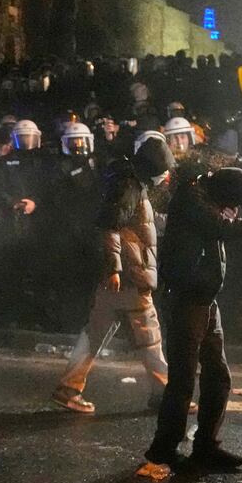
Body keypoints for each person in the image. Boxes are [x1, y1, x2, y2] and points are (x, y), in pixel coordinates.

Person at [144, 166, 242, 471]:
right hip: (187, 298)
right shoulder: (193, 200)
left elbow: (223, 226)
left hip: (204, 299)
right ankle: (164, 448)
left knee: (217, 376)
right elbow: (221, 228)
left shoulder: (204, 197)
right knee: (183, 379)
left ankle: (206, 447)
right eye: (233, 204)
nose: (235, 211)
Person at [54, 134, 175, 413]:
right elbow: (111, 228)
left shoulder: (128, 183)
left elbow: (138, 222)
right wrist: (115, 268)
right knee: (149, 335)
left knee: (96, 333)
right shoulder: (129, 187)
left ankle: (68, 388)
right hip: (130, 274)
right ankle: (164, 393)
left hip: (123, 274)